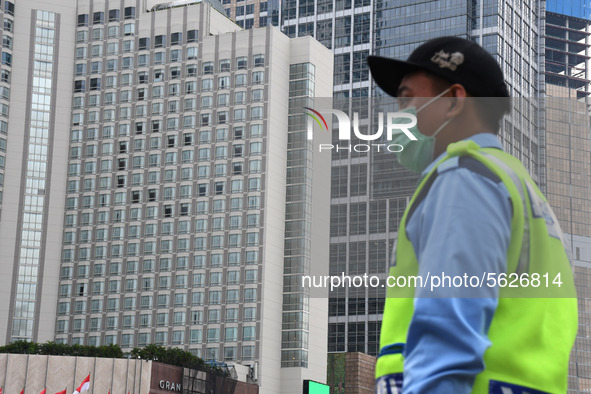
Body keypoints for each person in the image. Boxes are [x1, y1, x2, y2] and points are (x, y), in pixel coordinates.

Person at [367, 36, 577, 393]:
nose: (397, 115)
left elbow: (447, 338)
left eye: (406, 99)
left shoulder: (464, 179)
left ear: (452, 101)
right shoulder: (520, 189)